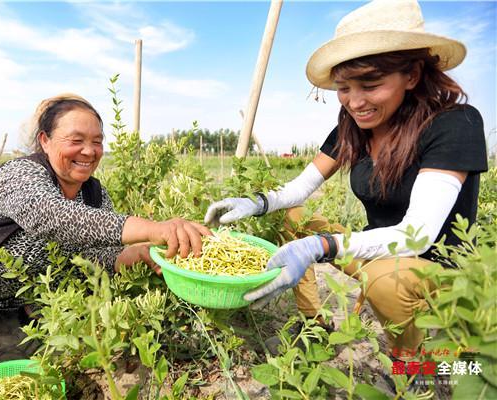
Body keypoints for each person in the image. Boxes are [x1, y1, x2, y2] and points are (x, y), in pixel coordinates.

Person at [205, 0, 487, 367]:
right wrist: (256, 203)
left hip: (437, 268)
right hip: (376, 253)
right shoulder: (353, 129)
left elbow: (416, 236)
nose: (355, 102)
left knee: (385, 282)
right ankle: (314, 322)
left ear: (413, 75)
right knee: (295, 218)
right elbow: (300, 189)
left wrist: (320, 246)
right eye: (344, 88)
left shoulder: (454, 124)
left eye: (371, 84)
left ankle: (411, 360)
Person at [0, 93, 211, 399]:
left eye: (97, 141)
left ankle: (31, 314)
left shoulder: (95, 196)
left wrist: (132, 254)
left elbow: (95, 253)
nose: (89, 151)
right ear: (45, 141)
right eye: (76, 140)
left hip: (38, 292)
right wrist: (154, 228)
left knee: (85, 266)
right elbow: (52, 217)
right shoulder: (20, 173)